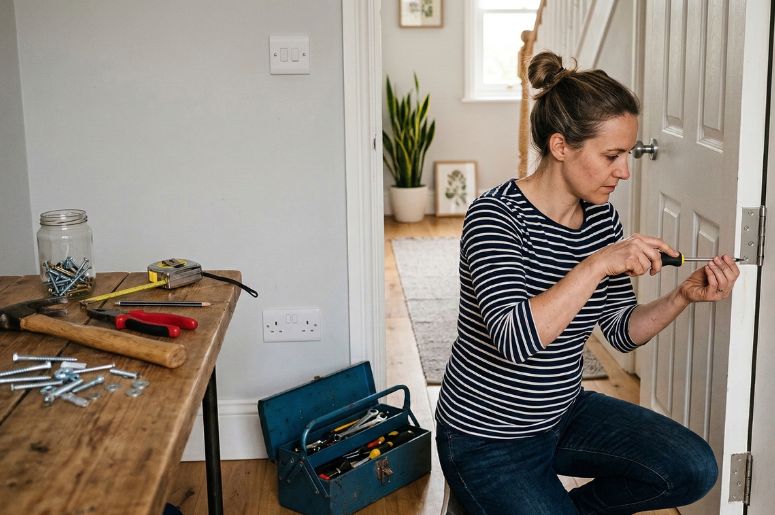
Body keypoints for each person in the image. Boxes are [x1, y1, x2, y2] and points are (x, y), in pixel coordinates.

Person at [435, 51, 740, 515]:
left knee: (693, 468)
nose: (625, 171)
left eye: (628, 155)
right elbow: (516, 340)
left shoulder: (600, 219)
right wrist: (596, 265)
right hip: (487, 437)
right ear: (561, 146)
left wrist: (682, 295)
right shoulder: (494, 218)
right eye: (613, 156)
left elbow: (619, 330)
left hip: (564, 414)